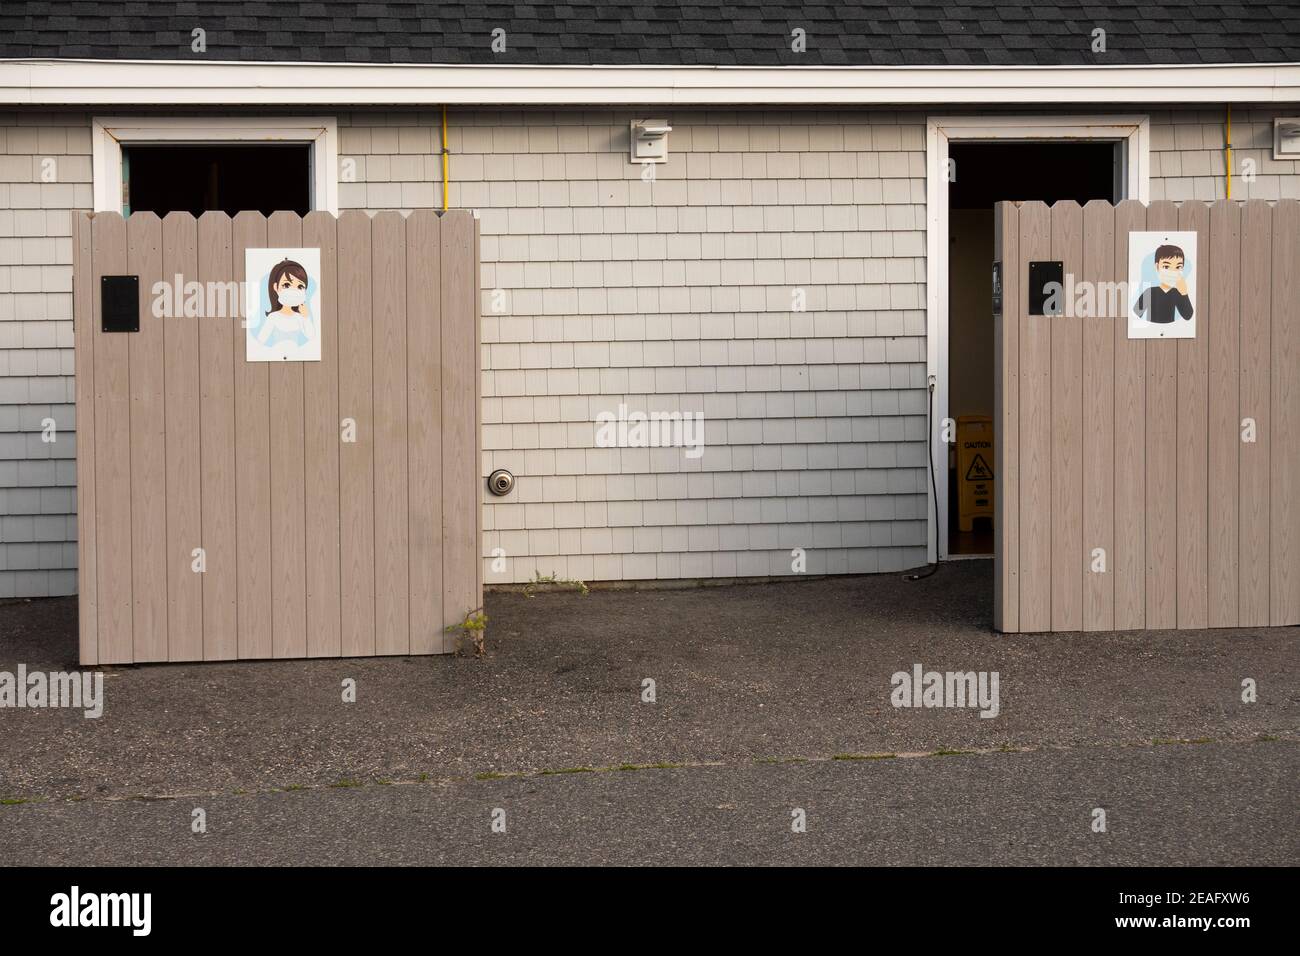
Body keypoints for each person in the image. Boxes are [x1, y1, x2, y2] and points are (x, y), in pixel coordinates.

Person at [1132, 244, 1193, 324]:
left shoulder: (1177, 293)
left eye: (1178, 267)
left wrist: (1184, 293)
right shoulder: (1150, 292)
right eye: (1166, 267)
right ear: (1157, 267)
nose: (1172, 272)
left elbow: (1188, 316)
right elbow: (1136, 313)